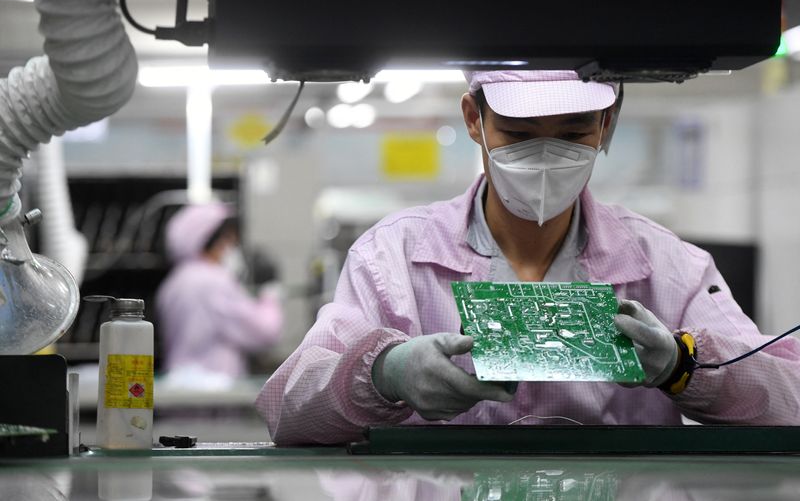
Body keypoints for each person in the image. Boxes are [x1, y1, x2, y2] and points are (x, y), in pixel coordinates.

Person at [256, 70, 800, 445]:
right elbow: (286, 407)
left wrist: (684, 366)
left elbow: (791, 400)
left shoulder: (669, 267)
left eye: (573, 134)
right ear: (474, 119)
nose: (545, 158)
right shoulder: (392, 258)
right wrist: (382, 374)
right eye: (518, 135)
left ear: (606, 124)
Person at [156, 202, 283, 382]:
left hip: (180, 389)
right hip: (211, 395)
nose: (231, 247)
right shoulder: (213, 281)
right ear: (206, 240)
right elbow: (265, 332)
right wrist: (269, 294)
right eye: (227, 240)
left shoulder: (175, 281)